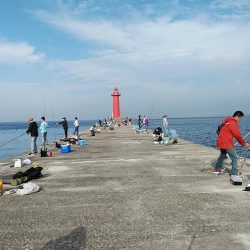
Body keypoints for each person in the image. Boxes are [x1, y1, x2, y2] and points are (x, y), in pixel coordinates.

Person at [213, 111, 250, 175]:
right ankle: (234, 173)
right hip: (227, 143)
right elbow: (237, 136)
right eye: (240, 118)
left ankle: (216, 169)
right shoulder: (233, 123)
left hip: (221, 141)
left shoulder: (226, 121)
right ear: (238, 117)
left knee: (222, 155)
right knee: (234, 157)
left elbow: (219, 130)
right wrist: (244, 144)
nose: (239, 120)